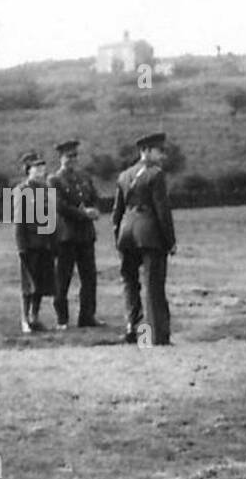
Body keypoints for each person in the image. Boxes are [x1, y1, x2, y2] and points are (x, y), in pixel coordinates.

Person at [113, 132, 176, 346]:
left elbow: (117, 212)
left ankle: (133, 329)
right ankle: (156, 336)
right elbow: (162, 211)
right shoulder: (156, 174)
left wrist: (118, 238)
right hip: (149, 234)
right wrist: (170, 240)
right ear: (146, 151)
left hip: (127, 232)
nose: (162, 155)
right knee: (153, 285)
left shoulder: (124, 175)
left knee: (130, 284)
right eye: (159, 151)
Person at [48, 139, 104, 330]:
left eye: (75, 156)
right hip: (67, 235)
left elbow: (95, 197)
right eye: (68, 156)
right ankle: (62, 318)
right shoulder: (54, 180)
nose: (72, 159)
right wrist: (83, 214)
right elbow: (60, 206)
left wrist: (95, 209)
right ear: (61, 158)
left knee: (89, 278)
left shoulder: (84, 177)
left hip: (86, 235)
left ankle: (87, 316)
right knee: (63, 278)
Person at [14, 152, 57, 333]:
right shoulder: (22, 190)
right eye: (36, 168)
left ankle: (35, 316)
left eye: (42, 167)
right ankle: (25, 319)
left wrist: (53, 242)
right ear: (28, 171)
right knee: (28, 284)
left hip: (44, 242)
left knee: (41, 283)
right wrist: (21, 246)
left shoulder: (46, 190)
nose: (41, 171)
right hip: (29, 242)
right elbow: (19, 220)